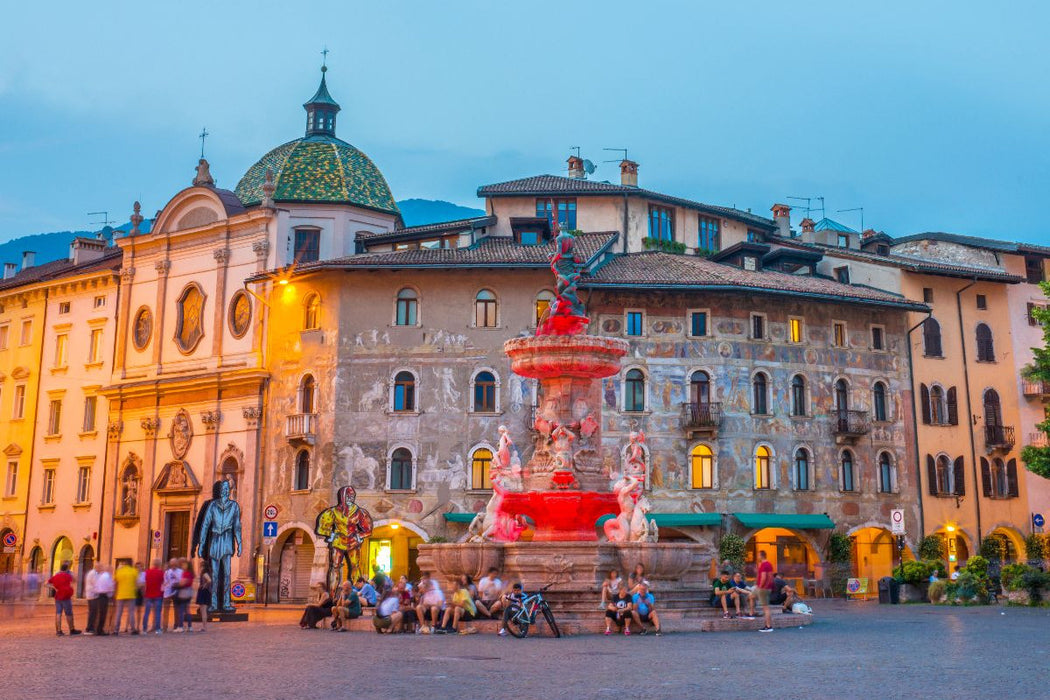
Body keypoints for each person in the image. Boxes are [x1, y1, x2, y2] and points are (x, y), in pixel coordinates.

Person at [47, 563, 81, 636]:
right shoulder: (68, 576)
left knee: (58, 613)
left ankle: (58, 631)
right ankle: (72, 629)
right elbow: (74, 581)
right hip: (66, 596)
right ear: (67, 569)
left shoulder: (56, 576)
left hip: (58, 596)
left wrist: (55, 588)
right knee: (69, 613)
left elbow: (46, 584)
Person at [113, 561, 139, 635]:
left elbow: (115, 583)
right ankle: (133, 629)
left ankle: (116, 630)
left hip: (120, 594)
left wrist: (115, 593)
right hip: (131, 594)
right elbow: (137, 583)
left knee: (119, 612)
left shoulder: (118, 571)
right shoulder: (134, 571)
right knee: (131, 612)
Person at [142, 560, 164, 634]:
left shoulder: (147, 572)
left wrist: (144, 592)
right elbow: (163, 583)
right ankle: (157, 629)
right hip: (158, 594)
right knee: (157, 613)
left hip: (148, 594)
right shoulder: (161, 573)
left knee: (146, 612)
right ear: (159, 565)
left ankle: (144, 629)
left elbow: (144, 583)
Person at [174, 558, 195, 632]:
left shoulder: (186, 573)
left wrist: (175, 584)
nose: (182, 566)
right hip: (188, 592)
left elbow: (183, 583)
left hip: (184, 592)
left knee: (181, 610)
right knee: (187, 610)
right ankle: (189, 626)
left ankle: (180, 626)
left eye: (184, 564)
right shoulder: (191, 573)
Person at [756, 550, 775, 632]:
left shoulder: (764, 565)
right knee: (751, 596)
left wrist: (761, 586)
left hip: (763, 588)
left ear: (761, 556)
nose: (757, 557)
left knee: (766, 608)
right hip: (767, 588)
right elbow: (771, 576)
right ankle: (751, 613)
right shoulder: (769, 564)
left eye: (758, 555)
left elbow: (764, 577)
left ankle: (768, 626)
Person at [94, 564, 115, 635]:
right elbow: (110, 587)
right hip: (103, 596)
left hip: (99, 595)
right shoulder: (107, 576)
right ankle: (100, 630)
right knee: (102, 614)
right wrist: (111, 595)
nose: (112, 572)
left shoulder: (102, 576)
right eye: (112, 570)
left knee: (100, 613)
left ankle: (98, 629)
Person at [161, 558, 181, 632]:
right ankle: (165, 626)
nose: (173, 565)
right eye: (172, 564)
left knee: (177, 610)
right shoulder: (167, 572)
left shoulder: (180, 572)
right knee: (166, 610)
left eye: (175, 564)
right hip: (168, 592)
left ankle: (176, 626)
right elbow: (165, 582)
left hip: (176, 592)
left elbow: (181, 581)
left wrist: (177, 582)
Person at [84, 562, 101, 635]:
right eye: (100, 567)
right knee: (92, 612)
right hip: (92, 595)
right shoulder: (93, 574)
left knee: (93, 612)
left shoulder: (94, 573)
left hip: (92, 594)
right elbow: (96, 584)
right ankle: (90, 628)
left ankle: (91, 627)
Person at [196, 562, 212, 632]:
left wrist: (204, 585)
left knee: (203, 610)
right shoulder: (208, 572)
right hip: (205, 592)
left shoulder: (204, 573)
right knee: (203, 610)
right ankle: (204, 626)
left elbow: (209, 580)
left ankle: (204, 627)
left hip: (203, 592)